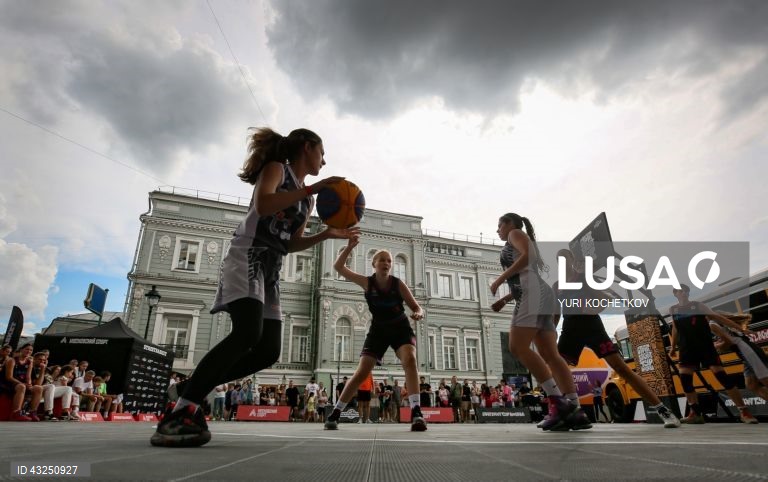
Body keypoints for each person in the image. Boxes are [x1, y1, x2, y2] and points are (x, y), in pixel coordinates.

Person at [150, 127, 356, 447]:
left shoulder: (309, 199)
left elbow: (291, 243)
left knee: (268, 350)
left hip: (272, 267)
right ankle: (180, 412)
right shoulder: (277, 169)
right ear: (306, 147)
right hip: (248, 254)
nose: (324, 161)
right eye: (322, 152)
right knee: (247, 333)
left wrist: (327, 235)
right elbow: (263, 205)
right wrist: (310, 188)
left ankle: (190, 388)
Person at [553, 249, 681, 428]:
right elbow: (555, 311)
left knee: (621, 368)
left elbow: (605, 299)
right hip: (570, 329)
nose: (563, 262)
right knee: (555, 367)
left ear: (572, 260)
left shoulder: (584, 278)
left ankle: (663, 410)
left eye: (566, 258)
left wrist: (585, 309)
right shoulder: (557, 285)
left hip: (591, 327)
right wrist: (552, 328)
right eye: (560, 260)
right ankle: (570, 411)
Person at [490, 213, 591, 431]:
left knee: (517, 347)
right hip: (541, 295)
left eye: (499, 225)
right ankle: (575, 409)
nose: (497, 230)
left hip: (532, 295)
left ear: (510, 224)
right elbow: (527, 272)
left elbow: (529, 258)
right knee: (550, 355)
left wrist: (499, 280)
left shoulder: (515, 234)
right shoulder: (517, 237)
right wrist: (506, 299)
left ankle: (558, 403)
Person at [325, 237, 427, 431]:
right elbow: (339, 267)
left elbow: (417, 307)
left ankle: (416, 413)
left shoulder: (398, 284)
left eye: (389, 260)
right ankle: (336, 412)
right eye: (382, 259)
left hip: (400, 328)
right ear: (374, 264)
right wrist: (349, 247)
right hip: (378, 330)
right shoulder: (367, 282)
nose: (386, 263)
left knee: (410, 360)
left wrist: (418, 313)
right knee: (362, 371)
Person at [669, 284, 758, 424]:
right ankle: (695, 413)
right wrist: (673, 347)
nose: (683, 292)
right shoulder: (673, 310)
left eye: (685, 290)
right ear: (675, 293)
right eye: (679, 290)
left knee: (722, 377)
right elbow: (675, 328)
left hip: (705, 347)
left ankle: (744, 411)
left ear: (688, 292)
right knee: (685, 380)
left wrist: (741, 329)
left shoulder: (698, 306)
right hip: (687, 349)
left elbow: (719, 318)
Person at [711, 319, 768, 404]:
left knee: (765, 380)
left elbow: (728, 342)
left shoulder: (711, 325)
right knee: (751, 385)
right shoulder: (719, 322)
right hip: (743, 354)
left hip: (748, 351)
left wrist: (716, 347)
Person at [0, 343, 41, 421]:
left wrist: (29, 384)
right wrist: (22, 383)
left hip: (22, 384)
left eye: (31, 350)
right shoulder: (12, 360)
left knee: (38, 388)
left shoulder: (29, 362)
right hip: (7, 384)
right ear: (21, 349)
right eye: (27, 349)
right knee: (21, 386)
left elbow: (28, 376)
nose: (29, 351)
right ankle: (16, 413)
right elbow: (9, 377)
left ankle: (32, 412)